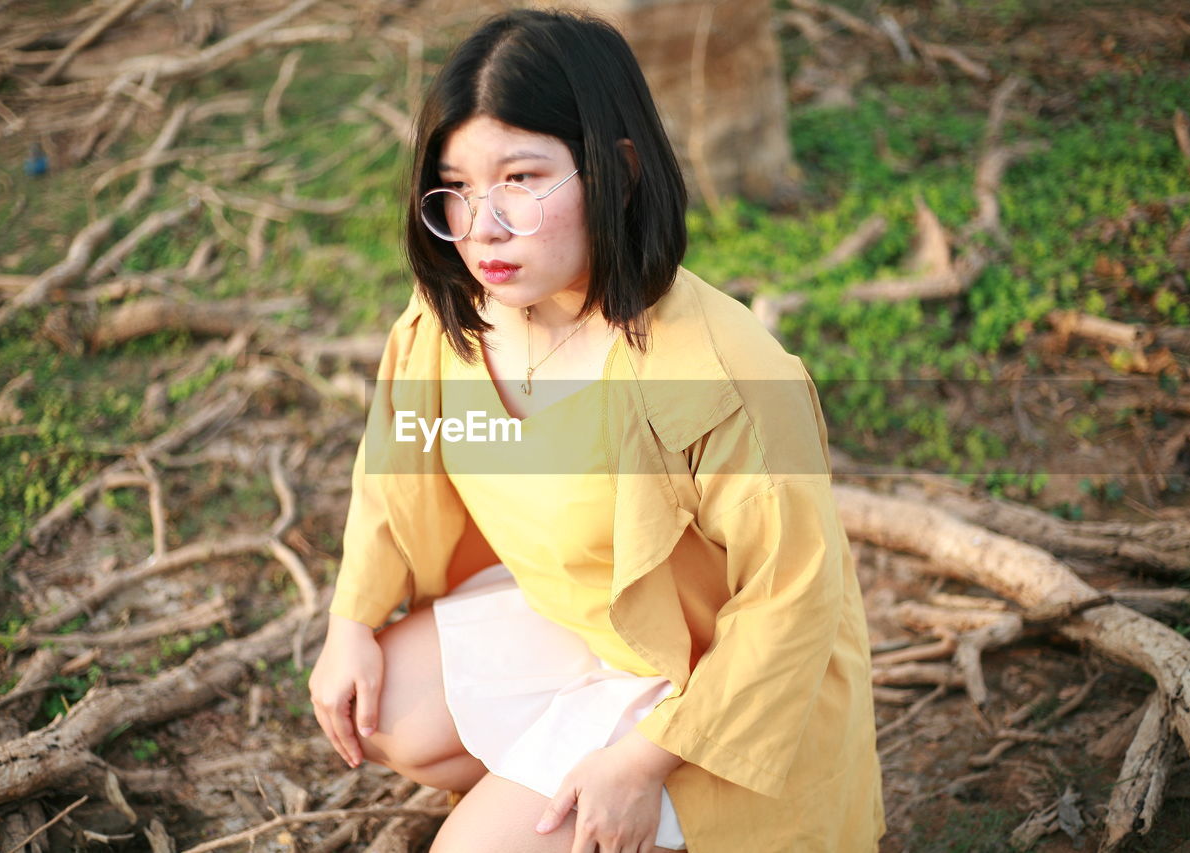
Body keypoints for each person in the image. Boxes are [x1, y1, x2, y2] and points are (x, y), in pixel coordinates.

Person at [309, 9, 885, 852]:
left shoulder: (723, 372)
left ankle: (642, 809)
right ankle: (572, 796)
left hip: (708, 670)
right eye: (457, 189)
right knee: (390, 706)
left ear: (615, 170)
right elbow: (394, 463)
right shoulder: (459, 316)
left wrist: (644, 761)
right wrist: (349, 618)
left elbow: (792, 602)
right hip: (584, 623)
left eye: (520, 179)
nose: (484, 228)